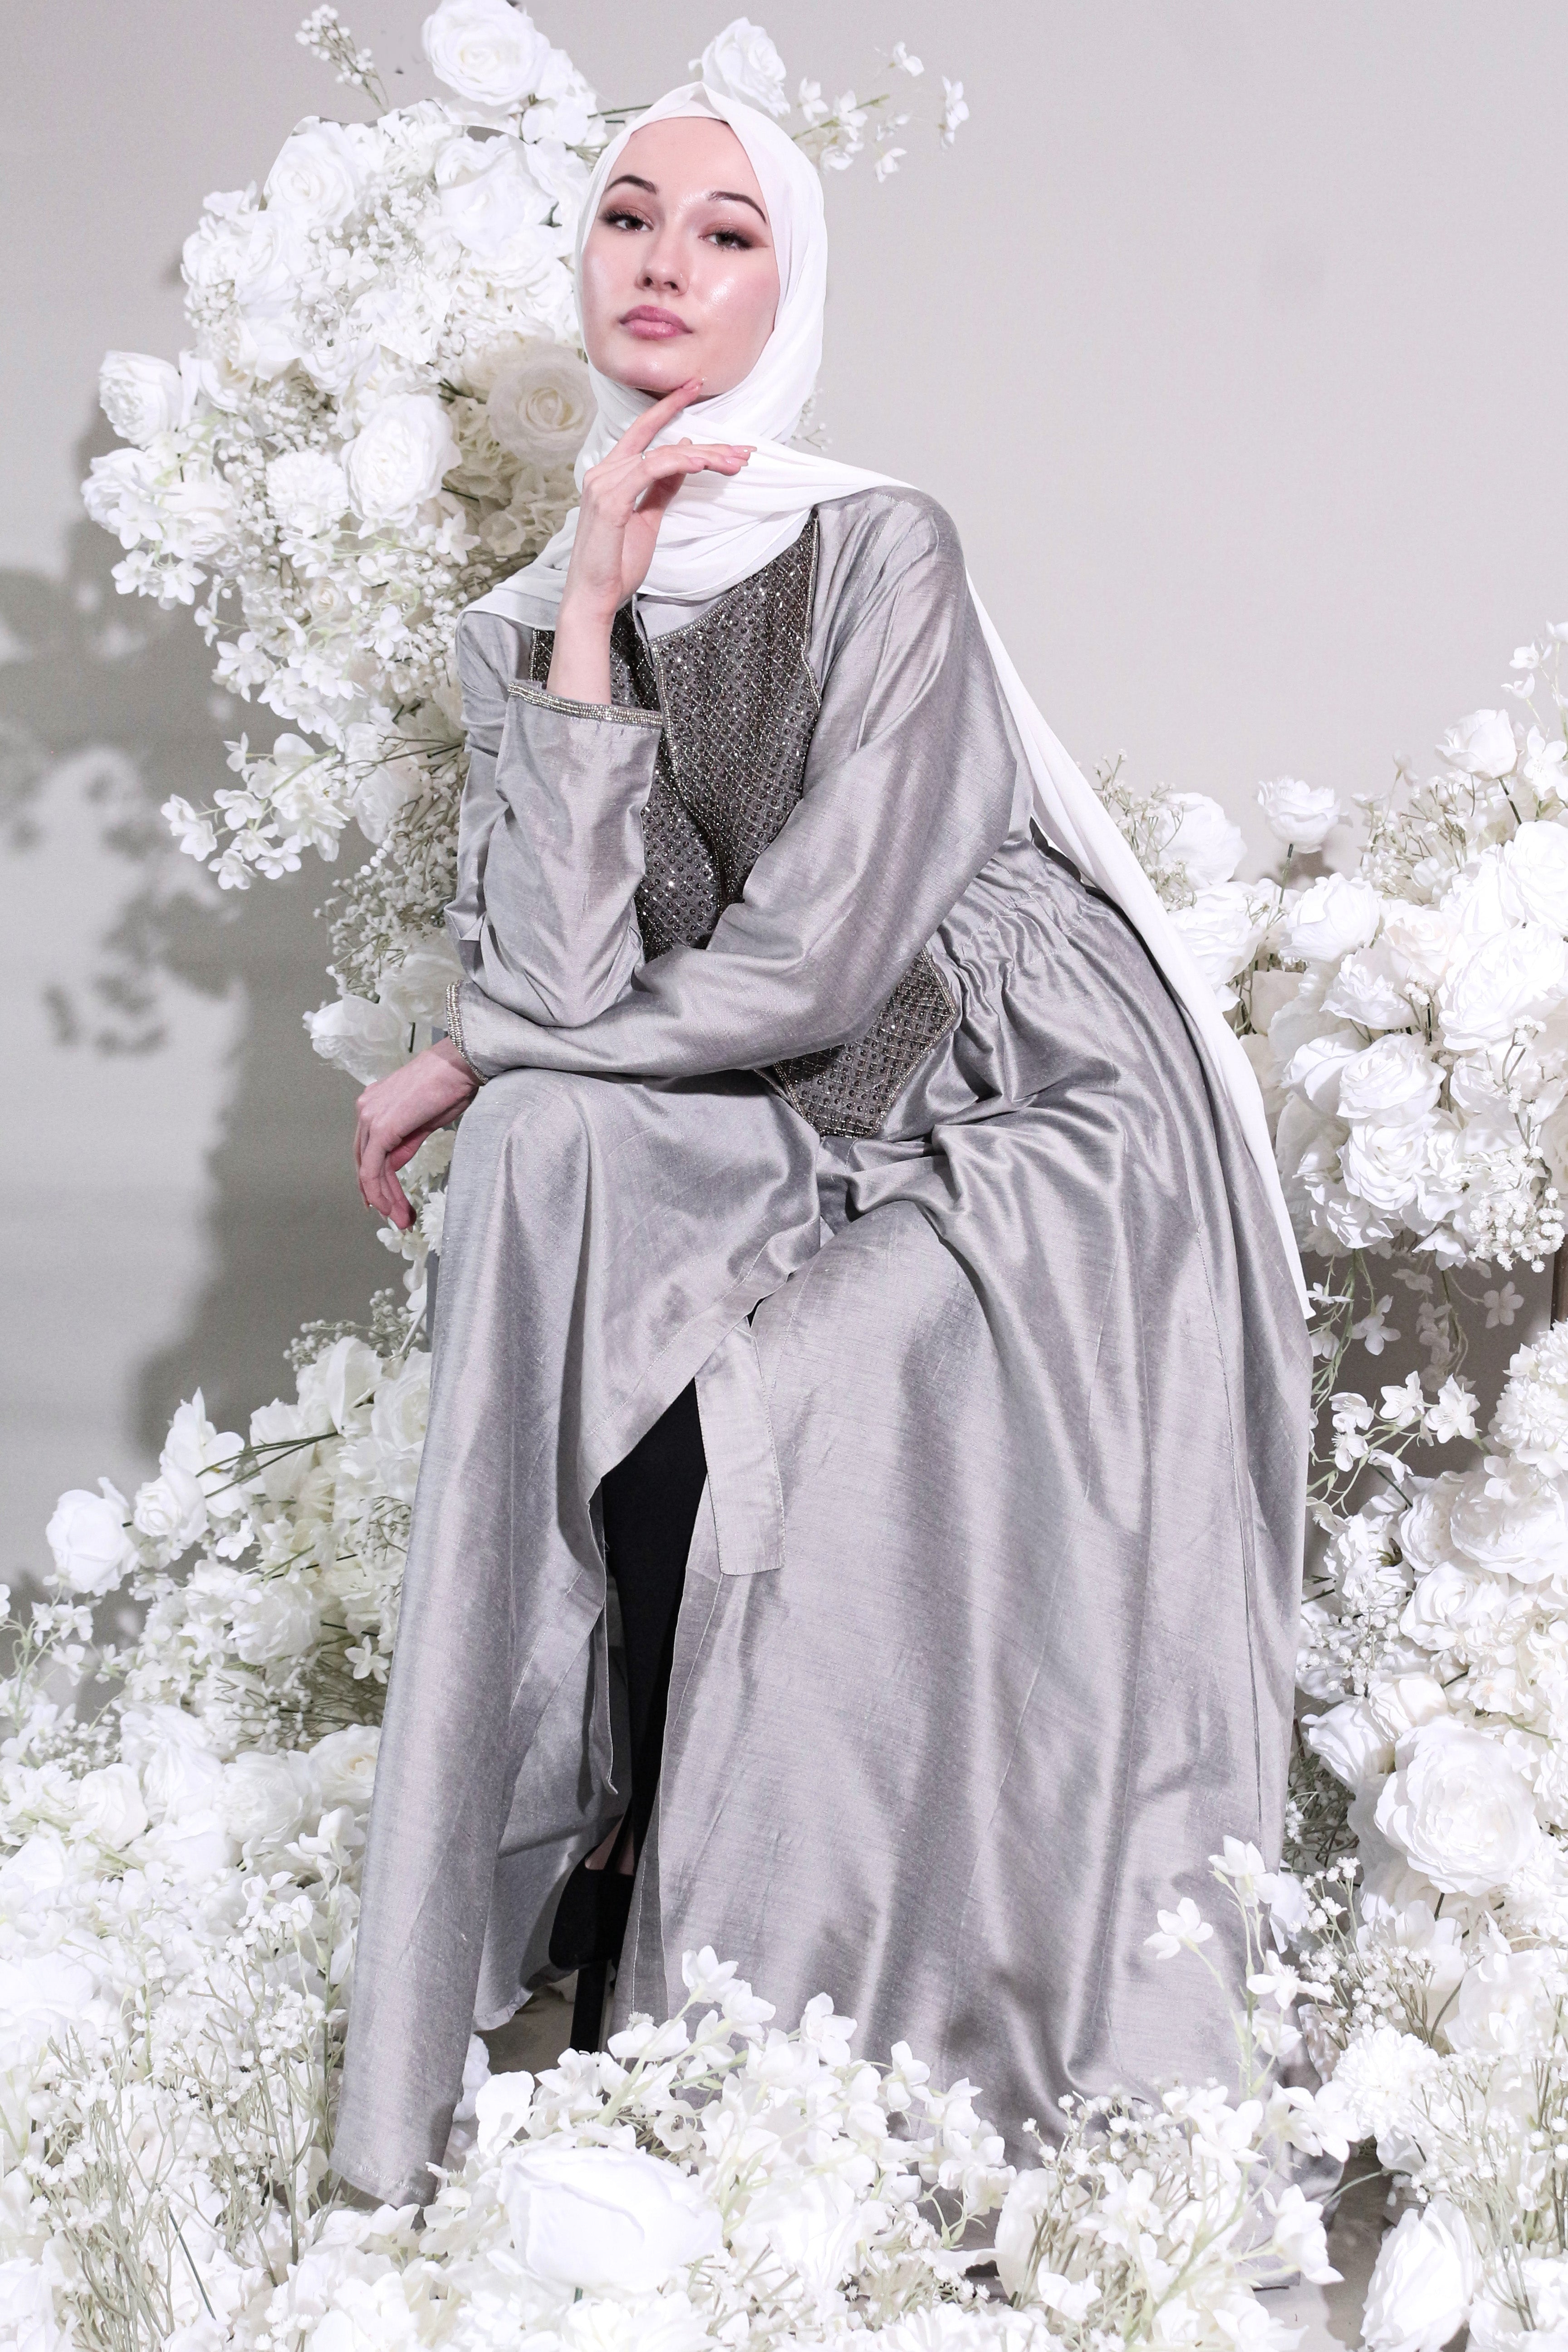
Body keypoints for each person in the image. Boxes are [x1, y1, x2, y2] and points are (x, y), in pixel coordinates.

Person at [330, 82, 1312, 2210]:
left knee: (766, 1412)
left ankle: (726, 1985)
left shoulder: (879, 543)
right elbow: (576, 979)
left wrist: (472, 1050)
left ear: (791, 286)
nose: (664, 265)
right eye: (629, 219)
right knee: (547, 1156)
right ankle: (619, 1915)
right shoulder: (522, 618)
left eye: (727, 233)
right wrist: (589, 604)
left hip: (1022, 1096)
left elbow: (826, 957)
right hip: (767, 1103)